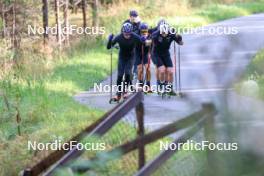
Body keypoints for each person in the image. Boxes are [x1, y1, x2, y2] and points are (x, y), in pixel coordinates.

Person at [107, 23, 145, 102]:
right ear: (123, 32)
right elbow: (109, 47)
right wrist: (110, 40)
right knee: (120, 75)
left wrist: (143, 40)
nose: (127, 35)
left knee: (128, 73)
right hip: (122, 57)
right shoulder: (119, 37)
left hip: (131, 57)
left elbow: (142, 44)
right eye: (125, 34)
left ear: (131, 32)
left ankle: (125, 91)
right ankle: (118, 93)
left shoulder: (134, 36)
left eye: (129, 34)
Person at [151, 22, 183, 95]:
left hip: (166, 54)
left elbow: (180, 43)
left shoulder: (171, 34)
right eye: (162, 33)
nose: (164, 35)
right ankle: (161, 86)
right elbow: (148, 41)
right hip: (156, 54)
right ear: (160, 31)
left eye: (165, 33)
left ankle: (170, 89)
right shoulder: (155, 34)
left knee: (170, 71)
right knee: (162, 70)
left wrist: (179, 38)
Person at [123, 10, 141, 81]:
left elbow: (142, 33)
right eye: (133, 17)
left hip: (136, 45)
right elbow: (122, 34)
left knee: (136, 61)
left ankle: (135, 74)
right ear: (130, 17)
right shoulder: (126, 23)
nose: (134, 18)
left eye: (136, 16)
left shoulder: (139, 23)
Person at [135, 22, 152, 92]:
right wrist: (140, 40)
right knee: (140, 69)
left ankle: (148, 84)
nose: (144, 32)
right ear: (140, 30)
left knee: (148, 69)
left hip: (145, 53)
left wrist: (145, 41)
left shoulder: (150, 35)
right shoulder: (136, 34)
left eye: (146, 31)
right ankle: (140, 83)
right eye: (143, 31)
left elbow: (150, 42)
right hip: (138, 53)